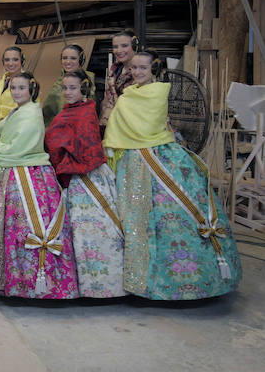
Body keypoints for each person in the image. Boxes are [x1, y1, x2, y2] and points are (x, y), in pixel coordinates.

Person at [103, 51, 241, 300]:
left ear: (153, 69)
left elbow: (147, 125)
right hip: (132, 158)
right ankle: (138, 280)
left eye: (143, 68)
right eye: (134, 68)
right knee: (134, 219)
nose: (137, 72)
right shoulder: (128, 94)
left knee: (173, 214)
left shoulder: (158, 92)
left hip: (158, 153)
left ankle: (182, 281)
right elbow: (119, 124)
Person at [0, 72, 79, 299]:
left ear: (31, 90)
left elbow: (16, 149)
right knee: (14, 229)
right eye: (13, 88)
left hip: (29, 174)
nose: (16, 92)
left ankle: (37, 284)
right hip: (15, 173)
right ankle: (15, 282)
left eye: (21, 88)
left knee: (29, 227)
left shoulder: (32, 114)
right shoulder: (16, 111)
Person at [45, 71, 124, 298]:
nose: (68, 92)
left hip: (86, 177)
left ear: (83, 89)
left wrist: (63, 151)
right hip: (72, 173)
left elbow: (86, 145)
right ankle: (81, 283)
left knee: (93, 230)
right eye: (65, 88)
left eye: (73, 88)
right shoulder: (68, 111)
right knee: (76, 233)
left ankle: (102, 285)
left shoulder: (87, 111)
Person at [42, 44, 96, 126]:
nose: (68, 62)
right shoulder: (59, 82)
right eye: (65, 58)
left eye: (73, 58)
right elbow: (47, 113)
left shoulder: (87, 81)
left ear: (81, 60)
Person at [100, 29, 139, 127]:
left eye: (124, 46)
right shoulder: (115, 70)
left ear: (134, 46)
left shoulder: (141, 72)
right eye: (115, 47)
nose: (119, 50)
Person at [0, 46, 24, 128]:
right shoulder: (2, 82)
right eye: (7, 60)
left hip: (15, 127)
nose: (11, 63)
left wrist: (2, 120)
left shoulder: (29, 83)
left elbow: (26, 111)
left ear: (22, 61)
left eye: (15, 59)